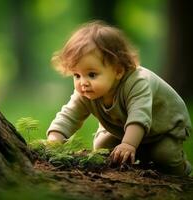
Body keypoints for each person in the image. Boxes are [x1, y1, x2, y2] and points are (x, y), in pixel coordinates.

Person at [46, 20, 192, 176]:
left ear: (118, 71)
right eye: (77, 75)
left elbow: (139, 116)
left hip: (163, 129)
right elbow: (68, 116)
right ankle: (138, 159)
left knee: (164, 156)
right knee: (102, 147)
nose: (83, 83)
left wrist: (128, 144)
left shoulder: (138, 83)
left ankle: (184, 172)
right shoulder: (86, 92)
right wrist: (54, 140)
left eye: (92, 74)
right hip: (123, 130)